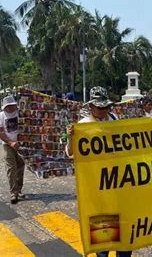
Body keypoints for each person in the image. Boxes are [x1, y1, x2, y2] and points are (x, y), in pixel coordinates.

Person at [66, 87, 132, 257]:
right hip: (97, 185)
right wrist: (71, 138)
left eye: (105, 107)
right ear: (91, 107)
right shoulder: (83, 126)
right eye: (100, 107)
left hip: (118, 181)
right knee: (103, 228)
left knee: (124, 228)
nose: (103, 110)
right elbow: (70, 153)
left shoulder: (115, 119)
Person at [0, 95, 25, 204]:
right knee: (11, 167)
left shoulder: (20, 113)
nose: (10, 108)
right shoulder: (1, 116)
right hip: (7, 145)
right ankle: (14, 192)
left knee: (20, 166)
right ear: (5, 107)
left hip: (21, 144)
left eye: (12, 105)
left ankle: (19, 189)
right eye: (8, 106)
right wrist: (10, 142)